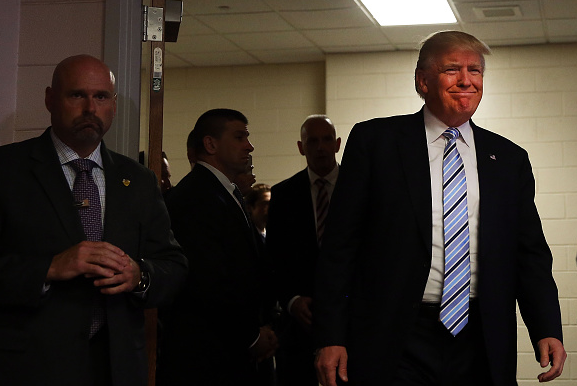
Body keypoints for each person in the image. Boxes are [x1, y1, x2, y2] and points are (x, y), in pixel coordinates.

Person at [314, 31, 566, 386]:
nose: (466, 80)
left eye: (475, 71)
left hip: (481, 334)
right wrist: (331, 334)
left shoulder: (509, 159)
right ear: (423, 80)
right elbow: (340, 247)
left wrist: (546, 327)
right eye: (452, 69)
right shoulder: (376, 143)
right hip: (397, 334)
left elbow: (530, 254)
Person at [0, 54, 188, 386]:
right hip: (30, 367)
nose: (90, 108)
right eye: (77, 95)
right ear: (50, 99)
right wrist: (49, 268)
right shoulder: (8, 170)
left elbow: (174, 266)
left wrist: (139, 274)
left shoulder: (138, 180)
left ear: (113, 105)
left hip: (118, 368)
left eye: (101, 97)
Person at [157, 108, 278, 385]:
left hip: (230, 352)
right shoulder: (195, 197)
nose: (249, 146)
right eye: (239, 137)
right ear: (210, 144)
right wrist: (251, 336)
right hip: (207, 358)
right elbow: (207, 281)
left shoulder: (225, 192)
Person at [267, 115, 340, 386]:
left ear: (337, 144)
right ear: (301, 147)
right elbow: (273, 258)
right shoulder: (284, 195)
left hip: (351, 321)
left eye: (326, 139)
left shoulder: (359, 189)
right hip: (299, 326)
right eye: (312, 141)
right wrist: (291, 300)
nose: (320, 147)